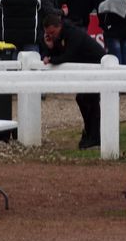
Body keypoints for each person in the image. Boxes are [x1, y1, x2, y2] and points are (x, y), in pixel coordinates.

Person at [42, 14, 106, 149]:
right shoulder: (61, 36)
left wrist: (51, 59)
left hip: (97, 66)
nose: (51, 36)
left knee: (88, 100)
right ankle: (91, 134)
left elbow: (68, 56)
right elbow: (59, 53)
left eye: (52, 33)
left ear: (59, 26)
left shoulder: (73, 33)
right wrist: (50, 47)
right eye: (48, 34)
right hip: (87, 69)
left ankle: (94, 136)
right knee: (83, 99)